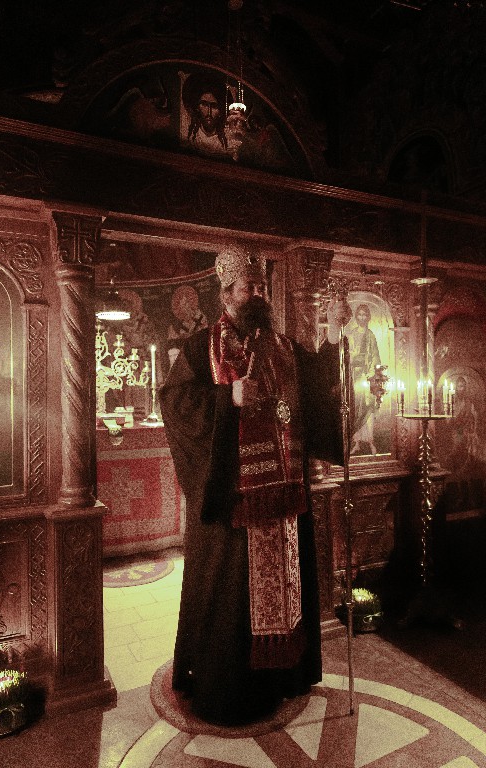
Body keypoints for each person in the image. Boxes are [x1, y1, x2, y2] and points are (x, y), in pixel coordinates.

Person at [159, 246, 350, 726]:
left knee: (285, 591)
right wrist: (228, 398)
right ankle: (229, 689)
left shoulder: (282, 346)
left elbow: (316, 387)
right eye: (250, 287)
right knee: (232, 601)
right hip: (233, 504)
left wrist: (331, 334)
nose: (258, 293)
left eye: (262, 286)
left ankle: (281, 679)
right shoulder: (201, 348)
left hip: (283, 498)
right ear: (227, 293)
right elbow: (176, 403)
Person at [347, 302, 381, 455]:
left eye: (364, 315)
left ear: (368, 317)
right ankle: (356, 442)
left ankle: (370, 441)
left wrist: (371, 372)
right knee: (356, 408)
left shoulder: (370, 335)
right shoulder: (351, 334)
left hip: (367, 376)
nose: (362, 317)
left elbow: (375, 356)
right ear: (356, 317)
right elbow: (348, 355)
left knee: (368, 407)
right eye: (359, 315)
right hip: (354, 375)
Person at [181, 72, 228, 157]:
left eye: (214, 106)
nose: (209, 112)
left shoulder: (225, 142)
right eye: (204, 105)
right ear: (197, 107)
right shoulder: (192, 137)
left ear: (220, 111)